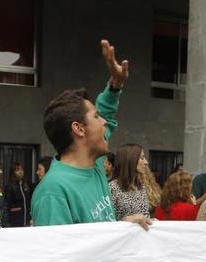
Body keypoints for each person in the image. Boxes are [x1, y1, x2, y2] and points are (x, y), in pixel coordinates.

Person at [31, 39, 149, 229]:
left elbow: (107, 114)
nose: (104, 122)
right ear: (79, 129)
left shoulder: (96, 165)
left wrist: (116, 84)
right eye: (96, 117)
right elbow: (60, 256)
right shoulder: (53, 192)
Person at [109, 144, 151, 220]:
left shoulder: (140, 187)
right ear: (130, 160)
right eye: (142, 158)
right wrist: (126, 220)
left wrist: (150, 221)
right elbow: (107, 221)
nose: (146, 162)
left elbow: (145, 214)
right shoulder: (112, 188)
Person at [5, 162, 31, 227]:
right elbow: (7, 205)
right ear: (13, 172)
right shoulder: (9, 187)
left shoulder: (27, 185)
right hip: (15, 222)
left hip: (27, 221)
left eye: (22, 170)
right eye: (17, 170)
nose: (20, 172)